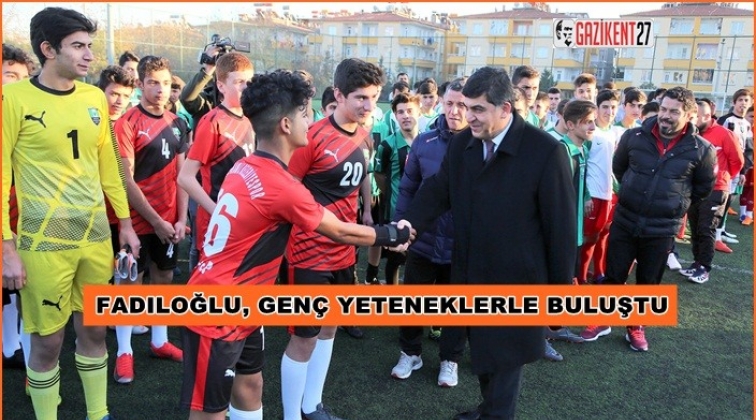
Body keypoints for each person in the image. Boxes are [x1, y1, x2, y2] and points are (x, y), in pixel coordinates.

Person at [180, 69, 411, 420]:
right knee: (210, 413)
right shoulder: (281, 184)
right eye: (304, 114)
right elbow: (341, 231)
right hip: (217, 310)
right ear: (286, 125)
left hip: (245, 302)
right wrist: (395, 234)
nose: (310, 121)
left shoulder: (246, 165)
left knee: (250, 386)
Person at [397, 66, 577, 420]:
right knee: (483, 355)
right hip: (469, 273)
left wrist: (559, 295)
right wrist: (408, 224)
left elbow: (561, 231)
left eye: (478, 109)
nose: (468, 116)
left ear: (505, 108)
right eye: (466, 107)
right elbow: (438, 190)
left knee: (506, 361)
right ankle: (488, 410)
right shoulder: (463, 143)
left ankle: (494, 414)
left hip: (518, 284)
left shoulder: (545, 152)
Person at [2, 7, 140, 420]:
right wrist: (6, 247)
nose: (89, 55)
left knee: (95, 331)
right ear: (48, 49)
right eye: (78, 46)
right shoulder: (13, 99)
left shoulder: (94, 97)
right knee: (48, 343)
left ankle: (99, 414)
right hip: (43, 245)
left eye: (89, 46)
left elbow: (109, 166)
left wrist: (126, 224)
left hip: (95, 240)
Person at [280, 58, 385, 420]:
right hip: (307, 255)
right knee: (303, 338)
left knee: (329, 329)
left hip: (344, 253)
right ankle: (292, 416)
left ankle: (313, 406)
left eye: (374, 97)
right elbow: (288, 191)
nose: (369, 105)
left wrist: (365, 212)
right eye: (360, 98)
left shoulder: (365, 133)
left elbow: (360, 178)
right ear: (338, 95)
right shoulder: (311, 137)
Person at [581, 87, 716, 351]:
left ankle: (635, 325)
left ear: (688, 114)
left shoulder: (701, 149)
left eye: (673, 112)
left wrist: (675, 205)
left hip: (662, 228)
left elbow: (702, 188)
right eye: (663, 109)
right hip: (625, 220)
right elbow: (620, 168)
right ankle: (603, 319)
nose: (665, 115)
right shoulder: (634, 136)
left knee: (648, 280)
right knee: (614, 274)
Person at [112, 55, 190, 384]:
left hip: (169, 222)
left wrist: (182, 219)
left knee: (164, 278)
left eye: (166, 83)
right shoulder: (126, 123)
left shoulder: (179, 123)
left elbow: (183, 176)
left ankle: (159, 340)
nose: (161, 89)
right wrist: (156, 221)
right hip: (137, 222)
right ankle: (124, 351)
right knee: (129, 283)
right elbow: (126, 180)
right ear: (141, 85)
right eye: (153, 83)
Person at [390, 77, 470, 387]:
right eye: (449, 103)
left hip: (461, 245)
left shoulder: (482, 145)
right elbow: (408, 189)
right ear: (440, 103)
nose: (455, 111)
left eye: (462, 105)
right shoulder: (424, 142)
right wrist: (401, 229)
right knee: (413, 300)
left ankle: (450, 360)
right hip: (423, 240)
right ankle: (410, 353)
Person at [178, 52, 255, 275]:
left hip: (243, 218)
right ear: (221, 86)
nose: (246, 88)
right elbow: (185, 177)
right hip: (217, 223)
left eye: (249, 82)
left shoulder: (249, 119)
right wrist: (217, 211)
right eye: (239, 82)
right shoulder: (213, 121)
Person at [679, 99, 743, 283]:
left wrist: (722, 177)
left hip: (716, 190)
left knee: (706, 229)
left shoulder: (724, 134)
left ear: (707, 116)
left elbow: (737, 161)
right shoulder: (690, 134)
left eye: (696, 116)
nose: (691, 120)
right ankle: (696, 263)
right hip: (695, 190)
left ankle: (704, 268)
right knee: (695, 228)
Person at [2, 43, 35, 371]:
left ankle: (10, 346)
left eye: (24, 77)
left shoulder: (21, 118)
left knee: (12, 287)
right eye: (11, 75)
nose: (19, 84)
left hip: (15, 220)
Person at [578, 89, 624, 285]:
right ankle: (580, 277)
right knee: (588, 238)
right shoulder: (590, 132)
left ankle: (599, 273)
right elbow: (582, 165)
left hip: (608, 195)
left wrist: (617, 190)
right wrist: (586, 195)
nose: (609, 111)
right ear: (597, 108)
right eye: (605, 107)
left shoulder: (614, 133)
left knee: (603, 236)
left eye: (613, 107)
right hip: (593, 194)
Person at [374, 93, 421, 286]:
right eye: (400, 112)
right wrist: (394, 197)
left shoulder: (428, 142)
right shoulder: (387, 145)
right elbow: (379, 175)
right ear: (395, 116)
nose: (405, 115)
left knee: (419, 262)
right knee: (395, 260)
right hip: (396, 213)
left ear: (419, 112)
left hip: (422, 214)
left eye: (410, 110)